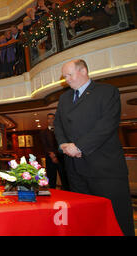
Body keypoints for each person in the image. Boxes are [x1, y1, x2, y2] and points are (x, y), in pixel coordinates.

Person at [54, 59, 134, 236]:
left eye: (69, 75)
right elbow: (58, 125)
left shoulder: (107, 92)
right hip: (75, 169)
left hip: (105, 169)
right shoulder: (65, 98)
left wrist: (79, 146)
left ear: (83, 71)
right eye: (64, 76)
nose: (66, 79)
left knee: (116, 217)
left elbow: (107, 125)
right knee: (86, 218)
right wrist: (63, 145)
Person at [39, 113, 69, 190]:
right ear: (47, 120)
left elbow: (62, 143)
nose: (51, 120)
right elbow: (44, 146)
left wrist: (56, 155)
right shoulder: (43, 132)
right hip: (49, 158)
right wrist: (52, 155)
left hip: (61, 158)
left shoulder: (61, 131)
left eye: (52, 118)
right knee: (51, 180)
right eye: (49, 118)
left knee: (65, 179)